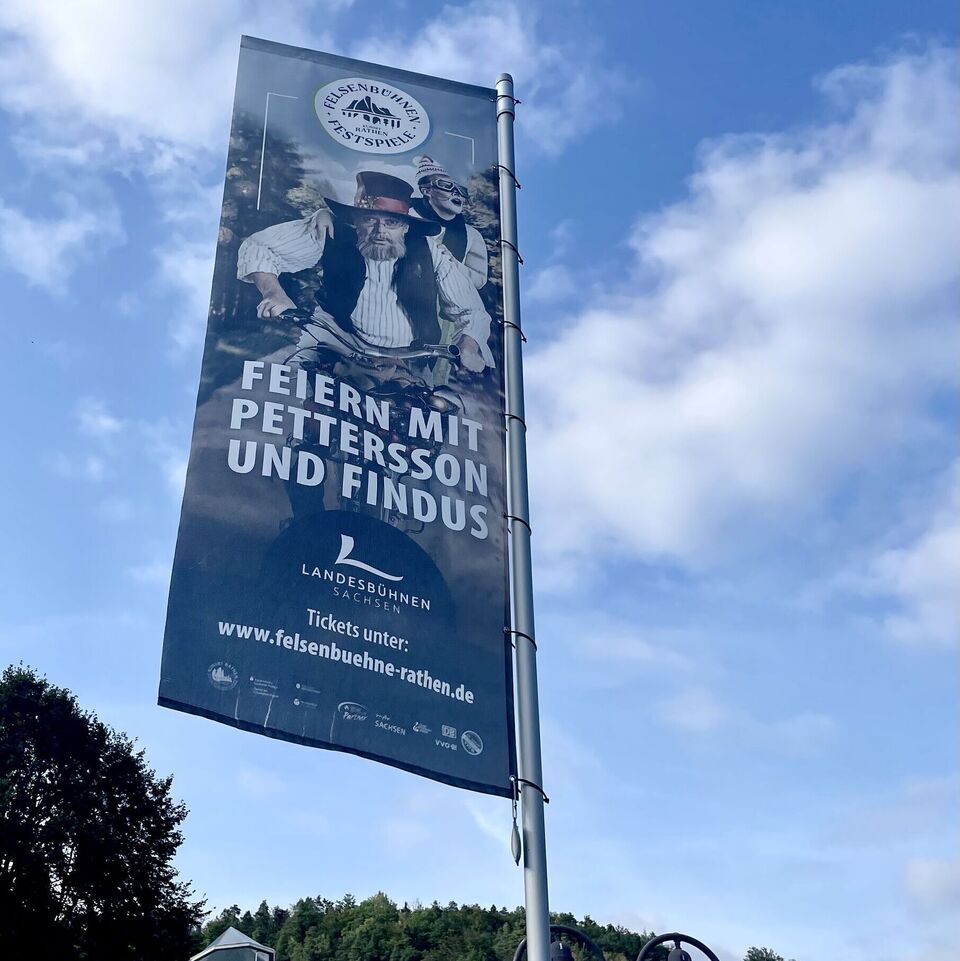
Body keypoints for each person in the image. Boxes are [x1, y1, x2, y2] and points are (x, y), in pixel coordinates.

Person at [236, 171, 494, 374]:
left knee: (425, 416)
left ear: (405, 226)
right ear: (355, 221)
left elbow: (471, 309)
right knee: (297, 391)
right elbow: (259, 246)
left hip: (407, 361)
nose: (380, 231)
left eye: (391, 222)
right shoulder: (332, 231)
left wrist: (469, 345)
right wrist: (274, 293)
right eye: (370, 220)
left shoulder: (429, 250)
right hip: (335, 345)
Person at [412, 156, 488, 288]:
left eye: (461, 189)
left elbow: (479, 280)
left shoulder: (472, 234)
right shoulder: (407, 218)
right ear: (427, 191)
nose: (456, 193)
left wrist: (452, 263)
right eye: (447, 185)